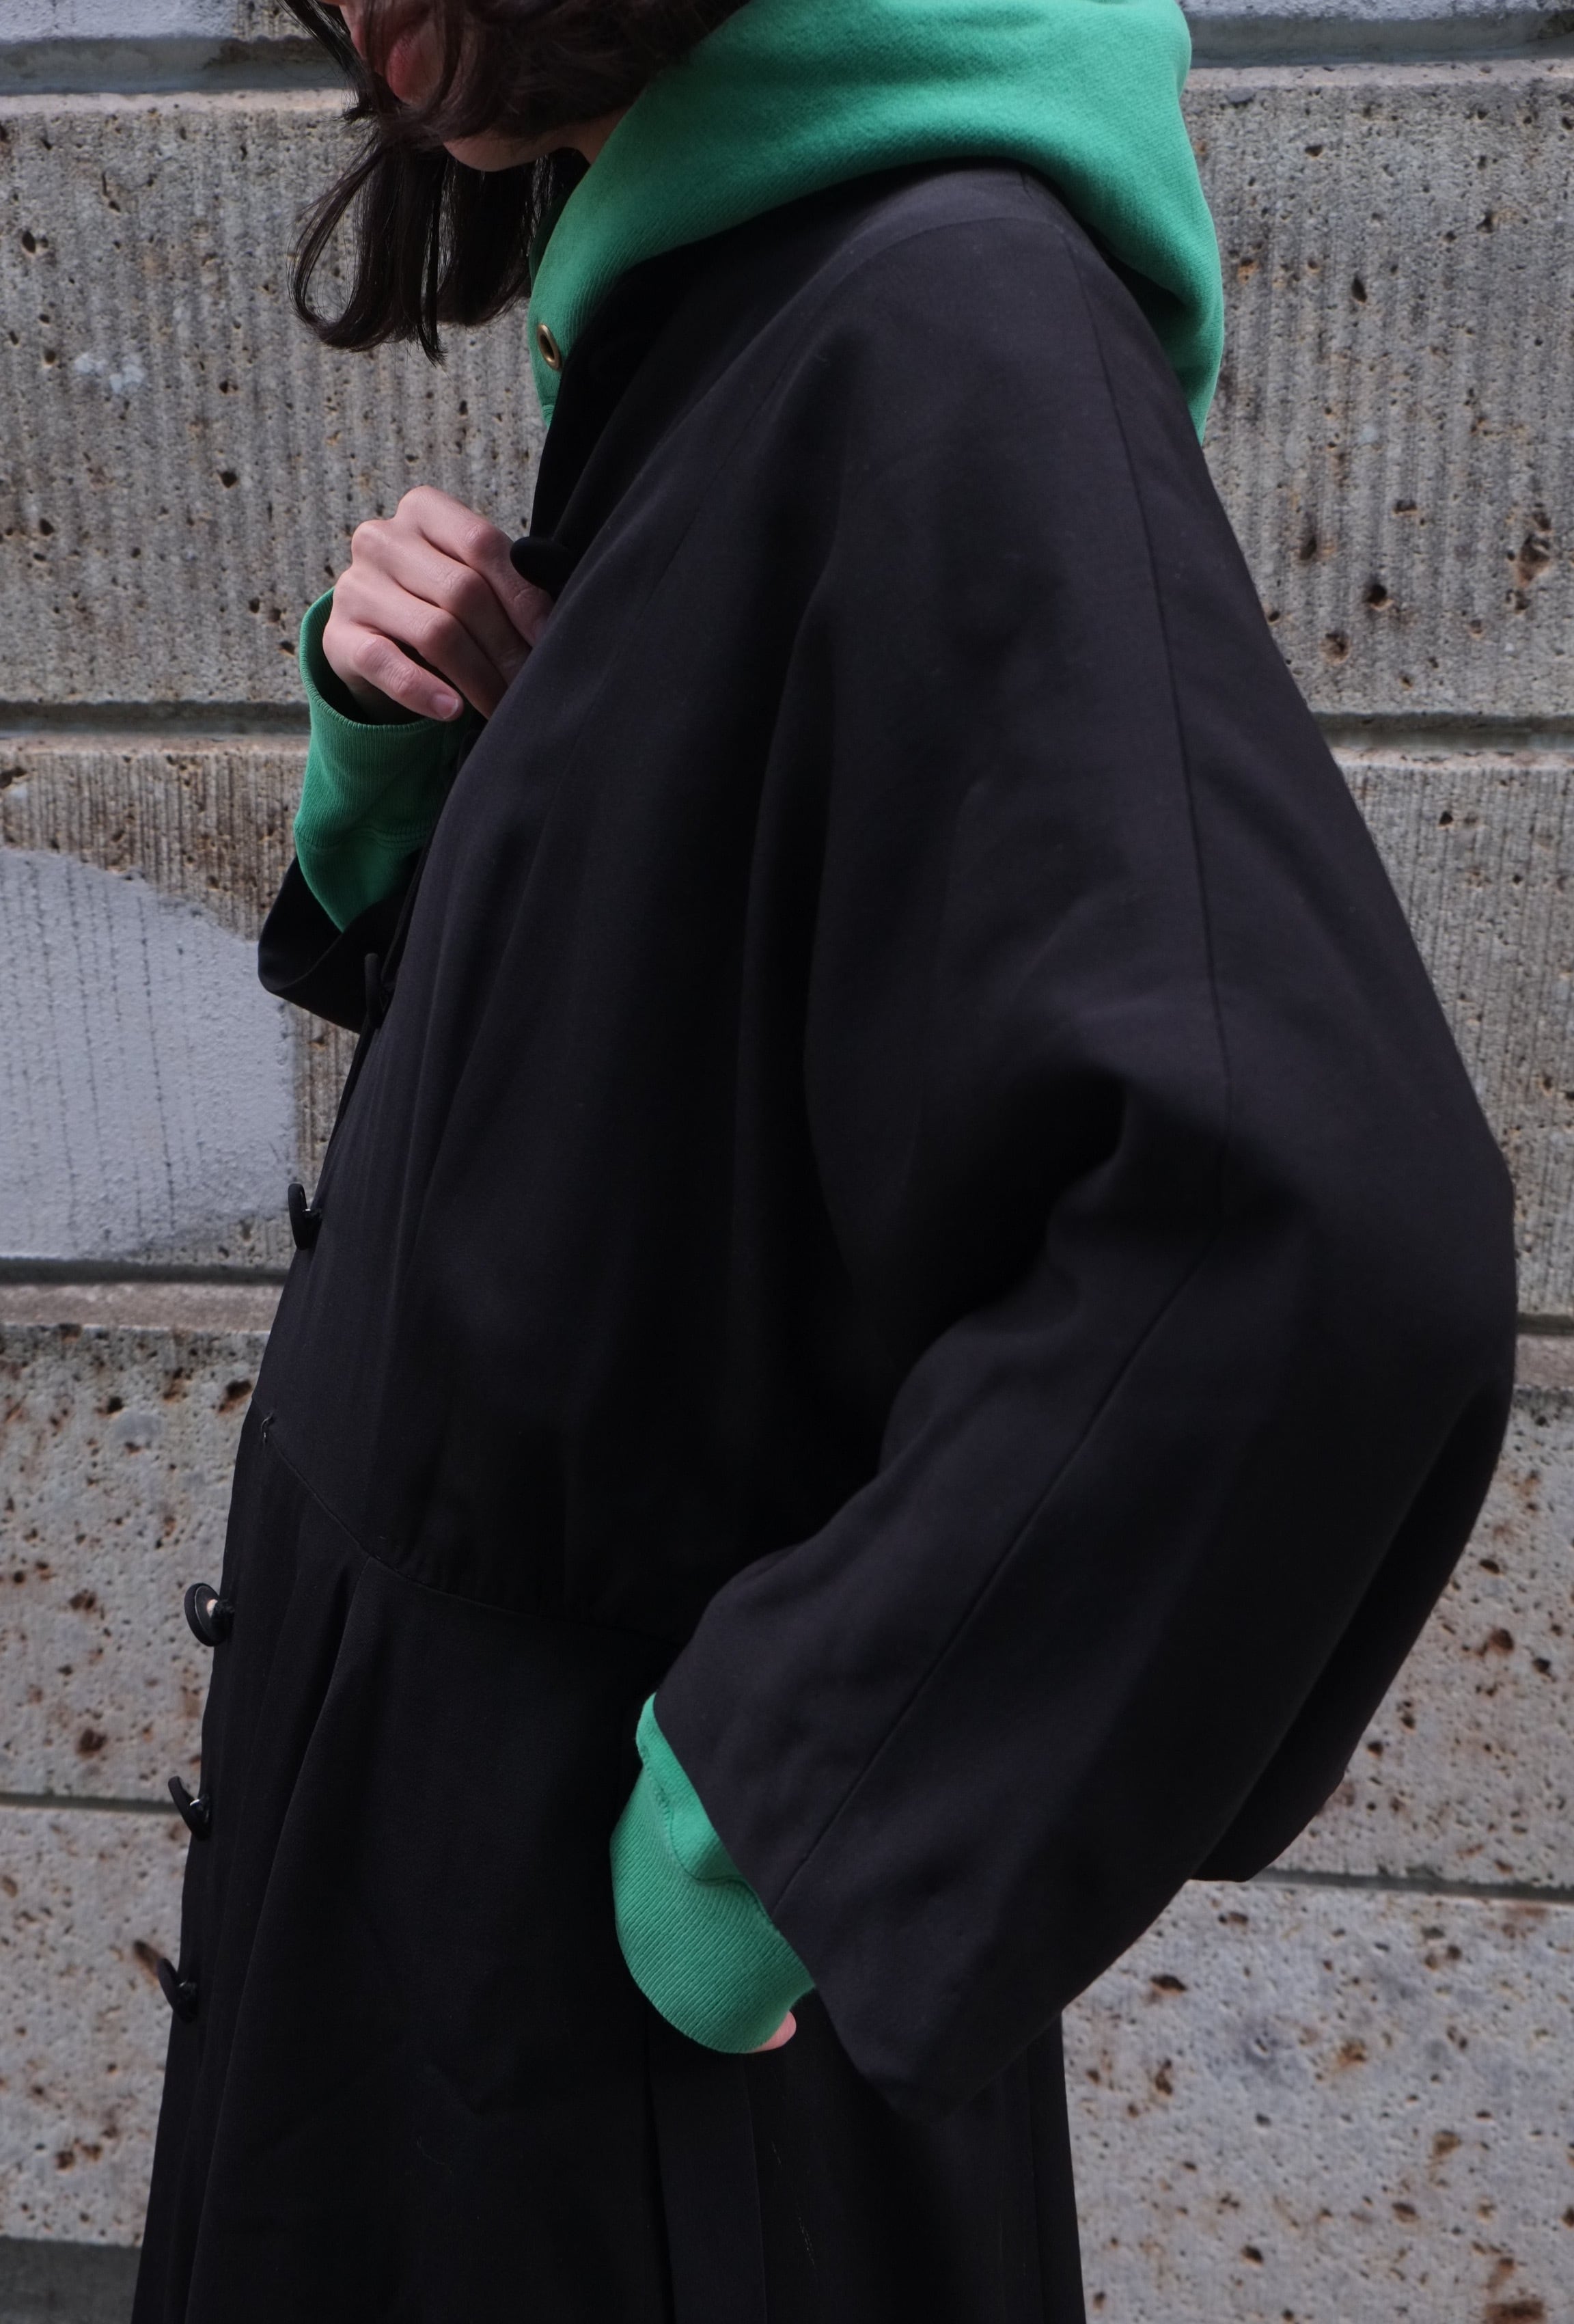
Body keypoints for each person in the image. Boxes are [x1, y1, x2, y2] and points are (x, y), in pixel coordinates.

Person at [131, 0, 1518, 2316]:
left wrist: (787, 1814)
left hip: (603, 2113)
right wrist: (421, 789)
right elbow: (687, 1113)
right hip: (440, 1994)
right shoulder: (747, 311)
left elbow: (1319, 1224)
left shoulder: (951, 325)